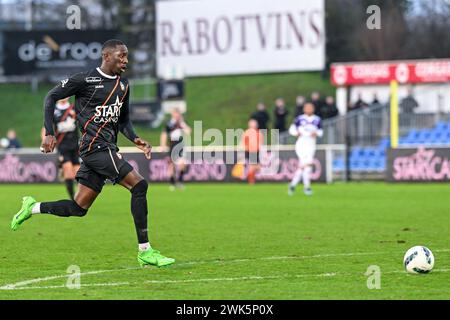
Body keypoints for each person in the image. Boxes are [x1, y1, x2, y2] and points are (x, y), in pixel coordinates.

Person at [10, 39, 175, 268]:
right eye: (121, 56)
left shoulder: (123, 85)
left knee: (78, 208)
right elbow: (50, 97)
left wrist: (136, 138)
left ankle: (33, 207)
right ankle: (145, 251)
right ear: (107, 56)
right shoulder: (85, 80)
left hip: (106, 148)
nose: (125, 61)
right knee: (139, 186)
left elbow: (123, 120)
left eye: (127, 56)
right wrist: (49, 133)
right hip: (94, 148)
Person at [41, 97, 80, 200]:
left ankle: (80, 197)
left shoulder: (74, 108)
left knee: (78, 173)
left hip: (76, 146)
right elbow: (46, 126)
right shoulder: (54, 110)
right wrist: (44, 140)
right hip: (63, 146)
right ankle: (73, 198)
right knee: (68, 171)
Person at [288, 103, 323, 196]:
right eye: (307, 108)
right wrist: (296, 133)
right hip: (301, 144)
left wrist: (316, 133)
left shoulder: (317, 119)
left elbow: (320, 131)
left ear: (313, 109)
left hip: (311, 145)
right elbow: (291, 129)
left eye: (310, 107)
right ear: (304, 109)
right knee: (307, 165)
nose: (309, 109)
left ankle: (293, 185)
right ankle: (307, 187)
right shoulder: (299, 119)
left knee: (304, 166)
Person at [160, 108, 191, 191]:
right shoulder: (170, 124)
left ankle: (180, 181)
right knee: (172, 165)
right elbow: (164, 134)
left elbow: (188, 132)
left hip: (181, 144)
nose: (177, 116)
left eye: (178, 114)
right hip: (173, 144)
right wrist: (162, 145)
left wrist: (182, 124)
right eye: (175, 114)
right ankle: (172, 183)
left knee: (182, 164)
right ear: (173, 115)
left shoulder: (182, 123)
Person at [241, 119, 263, 184]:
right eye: (252, 124)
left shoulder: (258, 133)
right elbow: (244, 142)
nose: (254, 125)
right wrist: (247, 149)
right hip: (250, 151)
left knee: (257, 167)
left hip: (256, 151)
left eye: (255, 124)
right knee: (252, 166)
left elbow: (260, 142)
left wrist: (259, 148)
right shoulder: (247, 132)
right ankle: (251, 180)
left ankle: (248, 175)